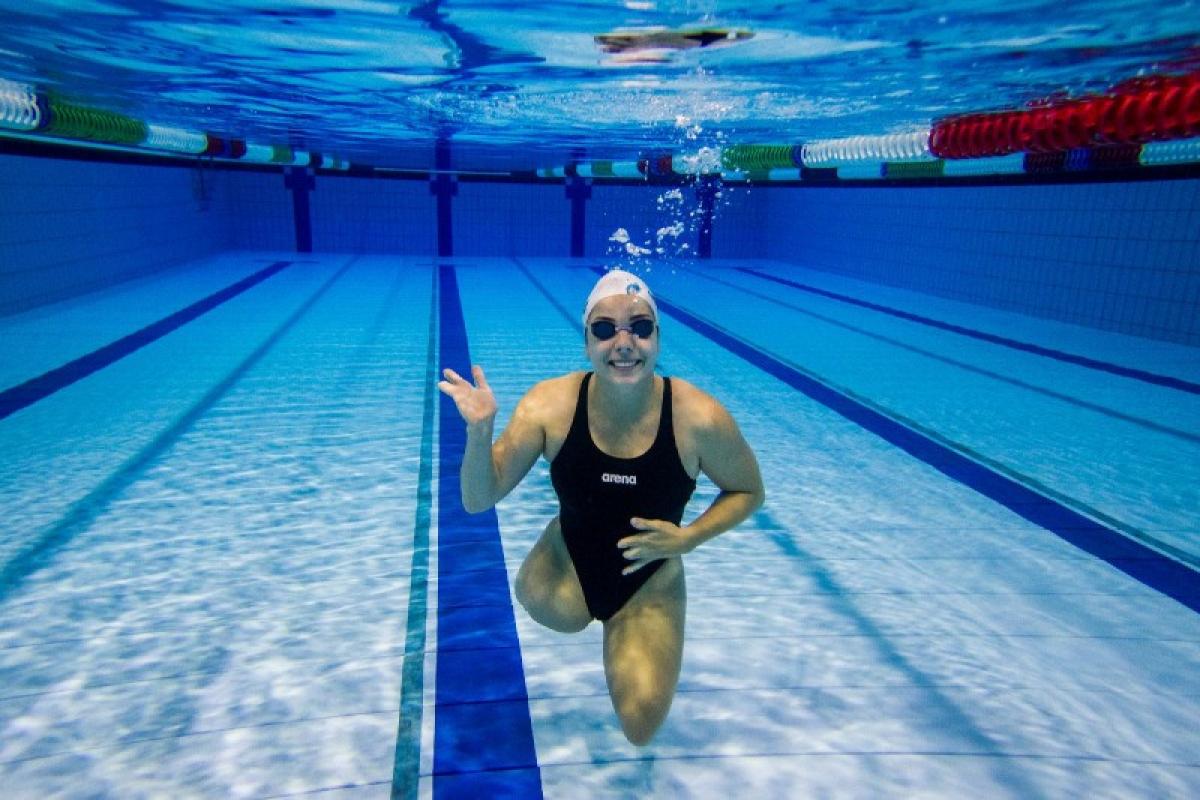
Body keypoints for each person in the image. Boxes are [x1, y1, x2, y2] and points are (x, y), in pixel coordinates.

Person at [437, 269, 764, 746]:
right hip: (569, 561)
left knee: (640, 727)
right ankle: (563, 534)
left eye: (641, 327)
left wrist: (688, 538)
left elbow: (749, 491)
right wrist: (480, 431)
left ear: (658, 338)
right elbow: (477, 498)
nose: (624, 342)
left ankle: (628, 622)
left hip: (650, 577)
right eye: (605, 329)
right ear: (587, 342)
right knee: (557, 612)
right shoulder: (549, 406)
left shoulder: (699, 418)